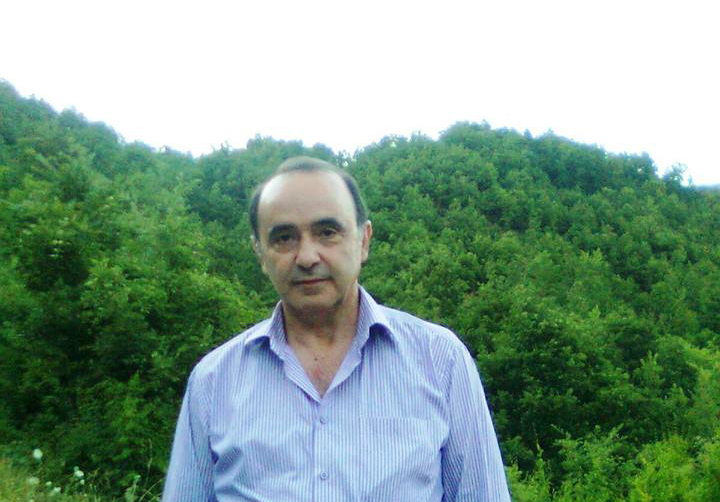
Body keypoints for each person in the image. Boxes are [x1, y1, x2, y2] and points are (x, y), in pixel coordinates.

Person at [162, 157, 511, 501]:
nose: (307, 257)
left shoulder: (440, 360)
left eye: (327, 232)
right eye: (284, 238)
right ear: (260, 254)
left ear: (364, 240)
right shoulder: (213, 381)